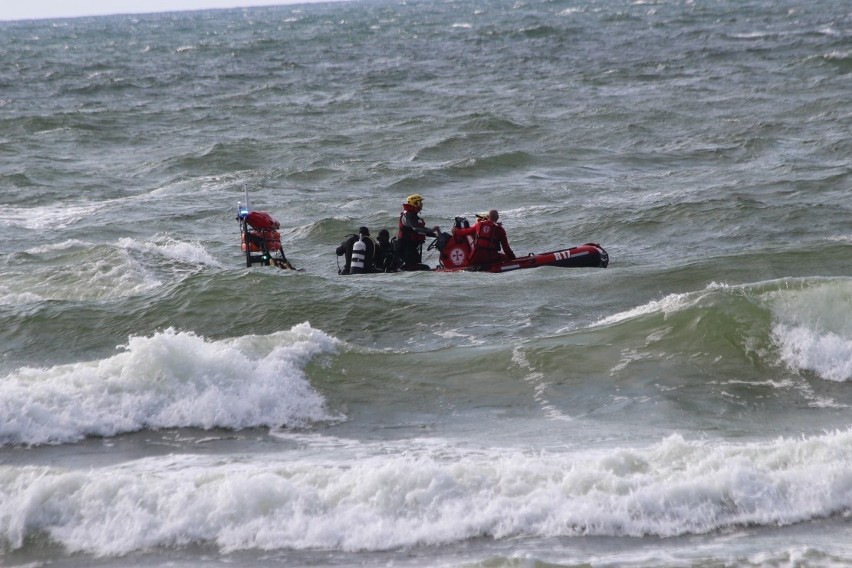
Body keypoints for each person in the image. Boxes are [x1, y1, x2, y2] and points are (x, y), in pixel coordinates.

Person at [397, 194, 440, 270]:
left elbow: (422, 230)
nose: (422, 204)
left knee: (419, 266)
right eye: (420, 202)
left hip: (412, 248)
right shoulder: (408, 215)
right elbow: (416, 229)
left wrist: (436, 235)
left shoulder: (414, 216)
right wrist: (432, 230)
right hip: (406, 248)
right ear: (415, 203)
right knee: (419, 268)